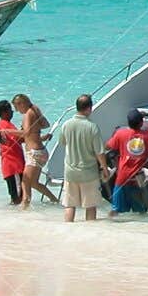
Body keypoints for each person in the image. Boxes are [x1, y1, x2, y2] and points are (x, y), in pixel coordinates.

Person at [105, 108, 148, 215]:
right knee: (141, 213)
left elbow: (108, 146)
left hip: (122, 179)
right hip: (138, 180)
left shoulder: (120, 133)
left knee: (115, 210)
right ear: (141, 122)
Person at [57, 94, 104, 223]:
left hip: (70, 172)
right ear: (89, 108)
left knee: (70, 205)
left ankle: (67, 230)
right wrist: (104, 168)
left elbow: (63, 142)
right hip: (88, 173)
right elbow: (99, 152)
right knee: (90, 206)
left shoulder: (66, 124)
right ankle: (88, 234)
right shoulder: (92, 127)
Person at [12, 93, 56, 207]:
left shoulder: (28, 114)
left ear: (22, 104)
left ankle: (25, 208)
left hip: (34, 154)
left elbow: (25, 133)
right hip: (40, 151)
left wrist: (7, 131)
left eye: (17, 107)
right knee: (34, 183)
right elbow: (45, 125)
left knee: (25, 182)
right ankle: (54, 200)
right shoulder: (34, 111)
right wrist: (41, 136)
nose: (17, 111)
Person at [0, 99, 24, 205]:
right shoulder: (5, 125)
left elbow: (18, 140)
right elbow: (21, 138)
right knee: (18, 197)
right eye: (10, 110)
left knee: (17, 196)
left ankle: (12, 217)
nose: (12, 112)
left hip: (11, 166)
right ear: (4, 113)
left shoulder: (5, 125)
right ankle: (16, 218)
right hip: (13, 166)